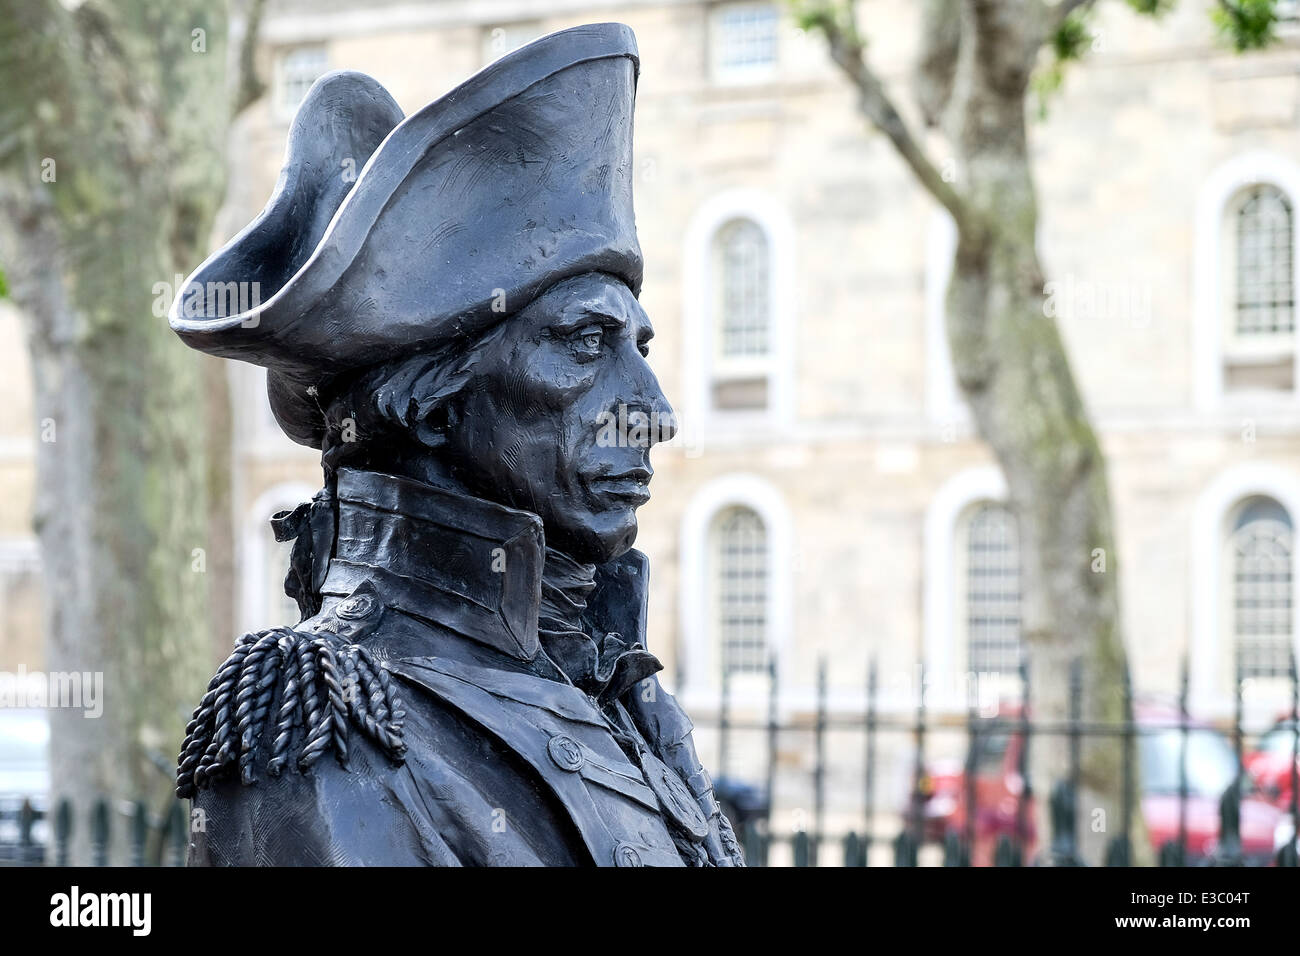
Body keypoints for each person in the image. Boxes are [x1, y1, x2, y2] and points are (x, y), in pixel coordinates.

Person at [169, 22, 743, 867]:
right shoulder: (324, 726)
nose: (652, 412)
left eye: (639, 351)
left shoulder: (620, 698)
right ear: (435, 404)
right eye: (585, 344)